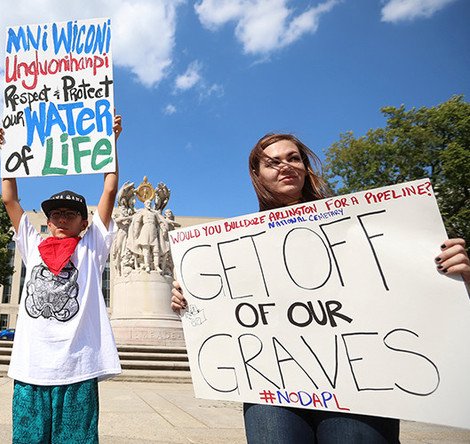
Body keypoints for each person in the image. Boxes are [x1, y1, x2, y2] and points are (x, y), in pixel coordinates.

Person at [170, 133, 470, 443]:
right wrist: (189, 300)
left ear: (306, 166)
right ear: (257, 175)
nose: (285, 166)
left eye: (293, 158)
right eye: (272, 162)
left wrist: (453, 272)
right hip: (274, 384)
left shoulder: (355, 225)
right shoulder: (234, 252)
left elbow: (406, 291)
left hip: (360, 380)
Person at [0, 114, 122, 444]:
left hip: (77, 369)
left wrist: (111, 145)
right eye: (55, 214)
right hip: (29, 369)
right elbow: (10, 199)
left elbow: (110, 189)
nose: (61, 218)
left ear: (84, 222)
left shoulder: (92, 246)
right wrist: (7, 153)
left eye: (70, 214)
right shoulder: (33, 245)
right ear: (47, 222)